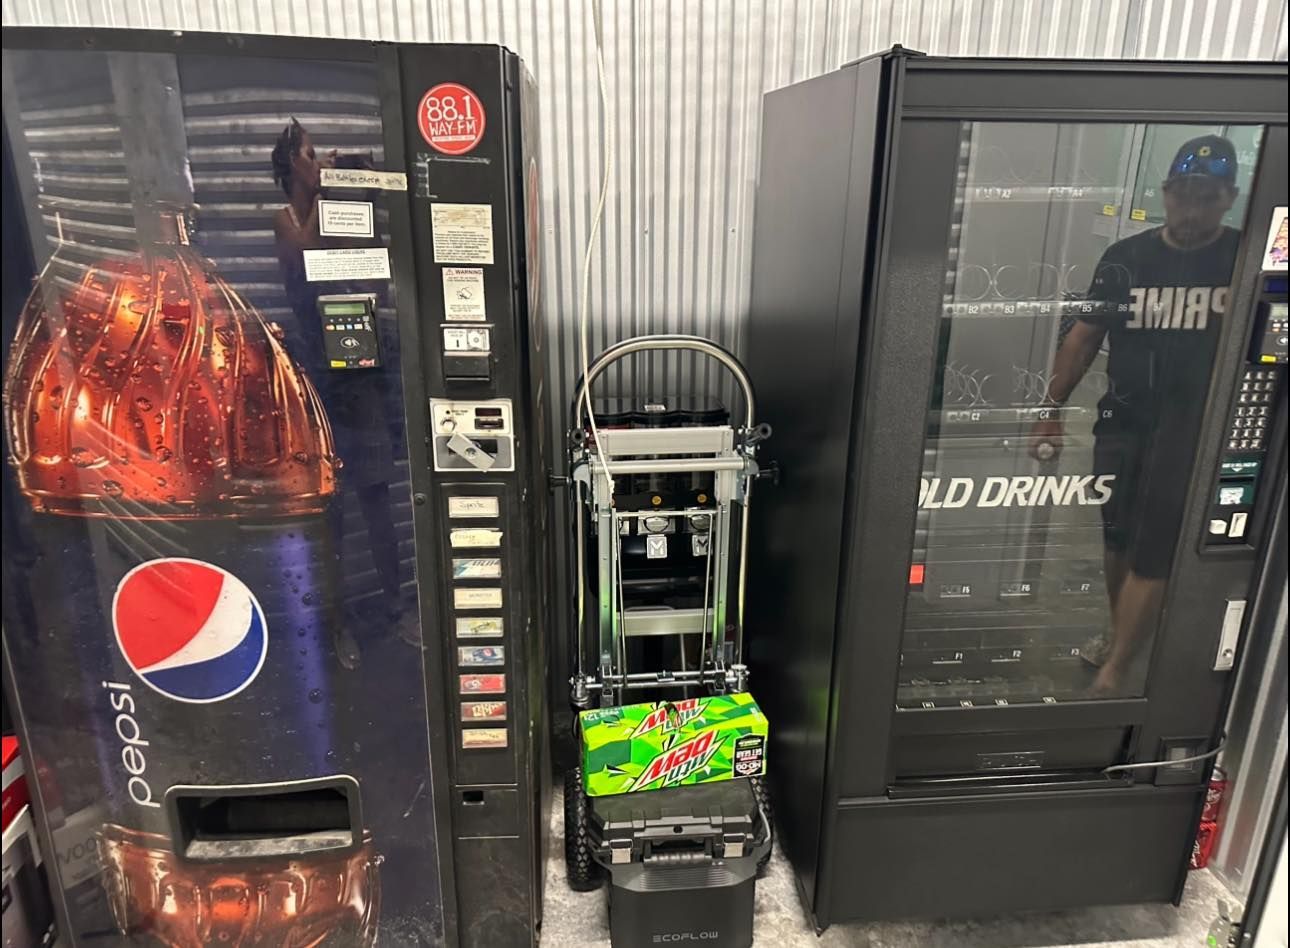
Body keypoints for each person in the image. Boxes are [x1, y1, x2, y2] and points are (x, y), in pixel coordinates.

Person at [1031, 134, 1242, 695]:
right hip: (1123, 422)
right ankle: (1122, 627)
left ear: (1229, 197)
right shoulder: (1126, 259)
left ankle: (1118, 664)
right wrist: (1048, 411)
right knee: (1117, 536)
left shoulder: (1243, 260)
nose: (1193, 208)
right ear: (1166, 193)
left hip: (1197, 431)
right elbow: (1082, 339)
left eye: (1208, 196)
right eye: (1184, 194)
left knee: (1156, 543)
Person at [271, 119, 403, 669]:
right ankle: (337, 623)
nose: (320, 159)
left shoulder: (336, 210)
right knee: (329, 507)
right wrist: (333, 197)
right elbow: (306, 261)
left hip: (361, 372)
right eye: (311, 153)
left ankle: (398, 608)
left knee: (377, 497)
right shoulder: (285, 220)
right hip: (318, 377)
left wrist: (363, 194)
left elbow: (373, 275)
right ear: (290, 166)